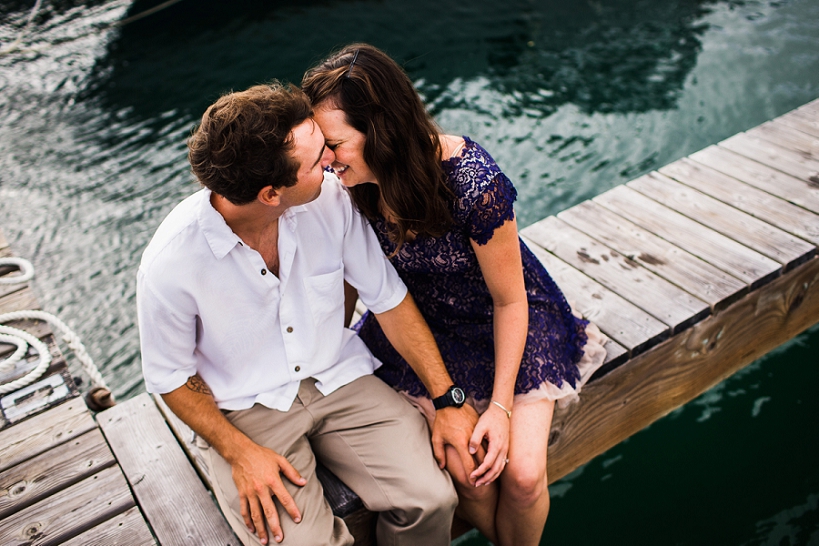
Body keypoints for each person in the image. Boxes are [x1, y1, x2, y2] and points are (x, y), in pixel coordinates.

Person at [136, 82, 481, 546]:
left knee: (431, 499)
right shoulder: (171, 262)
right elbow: (170, 377)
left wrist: (448, 400)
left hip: (339, 377)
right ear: (270, 193)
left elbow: (388, 298)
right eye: (319, 158)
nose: (333, 163)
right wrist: (239, 454)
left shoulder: (330, 198)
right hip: (246, 411)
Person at [303, 44, 608, 546]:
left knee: (525, 478)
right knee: (467, 472)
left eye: (333, 143)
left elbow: (511, 301)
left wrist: (501, 408)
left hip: (508, 324)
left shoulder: (471, 183)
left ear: (381, 133)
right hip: (424, 329)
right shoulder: (349, 186)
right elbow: (352, 278)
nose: (325, 159)